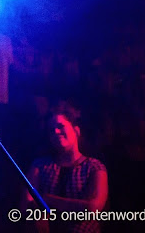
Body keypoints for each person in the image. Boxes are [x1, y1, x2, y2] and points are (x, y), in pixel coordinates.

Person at [23, 99, 108, 233]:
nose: (56, 132)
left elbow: (94, 208)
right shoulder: (40, 165)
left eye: (60, 126)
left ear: (76, 130)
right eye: (51, 130)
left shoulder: (94, 167)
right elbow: (25, 203)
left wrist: (48, 200)